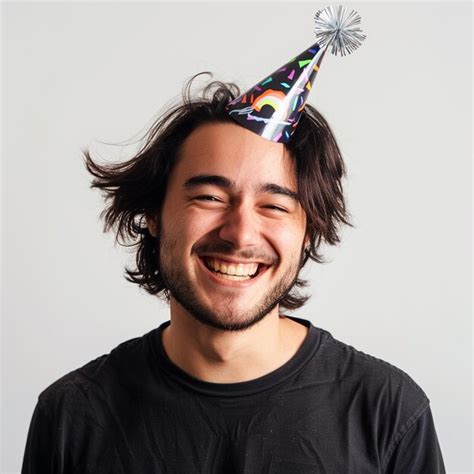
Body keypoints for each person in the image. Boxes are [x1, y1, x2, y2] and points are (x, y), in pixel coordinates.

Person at [21, 73, 445, 473]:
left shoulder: (388, 411)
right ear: (153, 213)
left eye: (275, 205)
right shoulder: (72, 416)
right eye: (209, 196)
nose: (240, 233)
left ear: (308, 232)